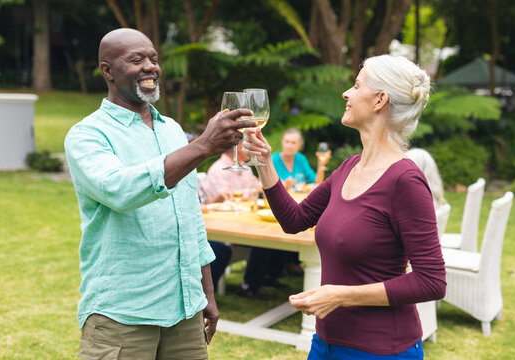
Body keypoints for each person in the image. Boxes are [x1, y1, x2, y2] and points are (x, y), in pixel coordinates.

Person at [64, 28, 255, 360]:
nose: (149, 66)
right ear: (107, 71)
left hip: (185, 311)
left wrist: (206, 293)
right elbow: (120, 189)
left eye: (153, 58)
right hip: (123, 314)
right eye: (136, 59)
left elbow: (190, 219)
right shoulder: (87, 135)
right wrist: (204, 146)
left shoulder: (172, 131)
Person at [242, 55, 446, 359]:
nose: (346, 93)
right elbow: (294, 219)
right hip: (325, 343)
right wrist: (264, 162)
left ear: (379, 100)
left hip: (380, 350)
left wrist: (341, 295)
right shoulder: (349, 167)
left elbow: (431, 281)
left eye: (356, 85)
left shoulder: (405, 180)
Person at [198, 144, 259, 290]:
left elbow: (256, 188)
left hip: (241, 218)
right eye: (247, 146)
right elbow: (229, 198)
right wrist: (248, 193)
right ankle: (249, 286)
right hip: (222, 224)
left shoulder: (246, 168)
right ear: (238, 148)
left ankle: (256, 283)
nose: (251, 149)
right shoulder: (219, 169)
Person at [273, 128, 332, 275]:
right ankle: (284, 267)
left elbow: (316, 183)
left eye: (293, 142)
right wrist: (281, 187)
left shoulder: (300, 159)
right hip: (278, 209)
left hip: (297, 206)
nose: (289, 145)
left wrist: (321, 165)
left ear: (299, 145)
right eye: (287, 141)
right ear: (282, 143)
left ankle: (291, 263)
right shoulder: (274, 160)